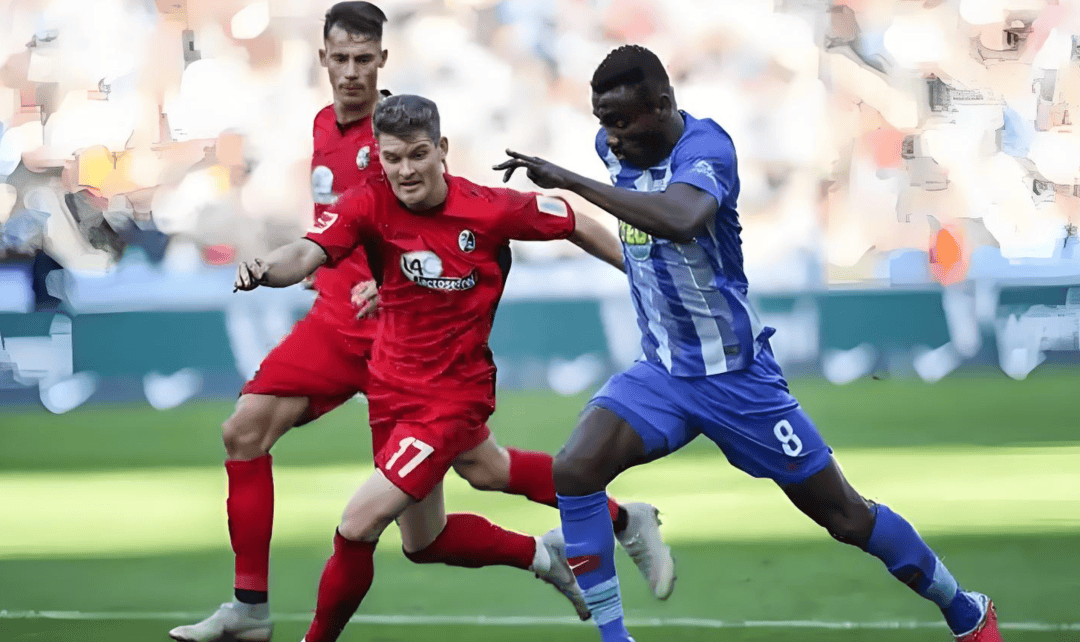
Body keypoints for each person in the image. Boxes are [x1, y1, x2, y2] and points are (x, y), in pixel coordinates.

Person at [169, 7, 672, 641]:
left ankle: (287, 629)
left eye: (416, 156)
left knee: (359, 522)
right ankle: (572, 546)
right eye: (393, 159)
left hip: (444, 388)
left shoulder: (483, 207)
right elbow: (312, 247)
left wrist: (640, 271)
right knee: (436, 527)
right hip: (387, 372)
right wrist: (267, 268)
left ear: (440, 149)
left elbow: (569, 219)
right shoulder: (357, 177)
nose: (405, 170)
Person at [494, 45, 1005, 642]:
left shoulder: (707, 149)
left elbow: (681, 218)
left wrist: (571, 182)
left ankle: (966, 611)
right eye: (602, 121)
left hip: (736, 378)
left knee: (845, 516)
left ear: (662, 105)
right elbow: (644, 243)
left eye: (622, 121)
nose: (610, 136)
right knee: (575, 469)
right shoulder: (615, 150)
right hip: (663, 373)